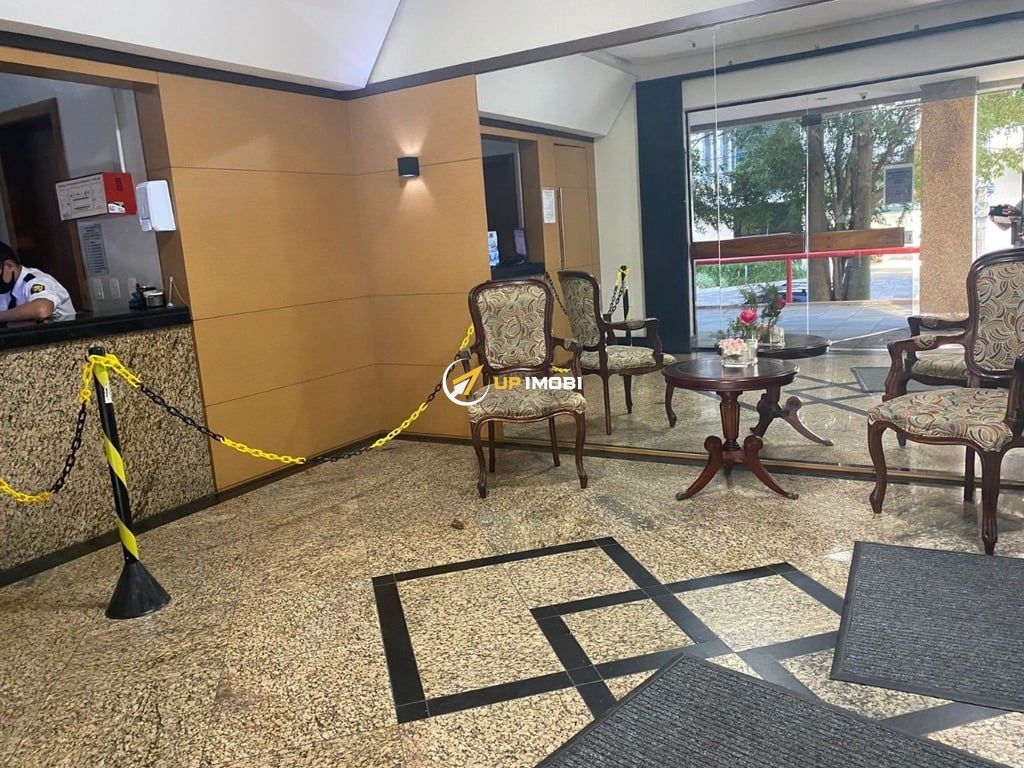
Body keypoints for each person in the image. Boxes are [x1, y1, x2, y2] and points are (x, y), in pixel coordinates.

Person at [0, 241, 76, 323]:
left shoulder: (35, 280)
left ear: (9, 266)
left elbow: (42, 309)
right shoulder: (7, 289)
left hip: (65, 330)